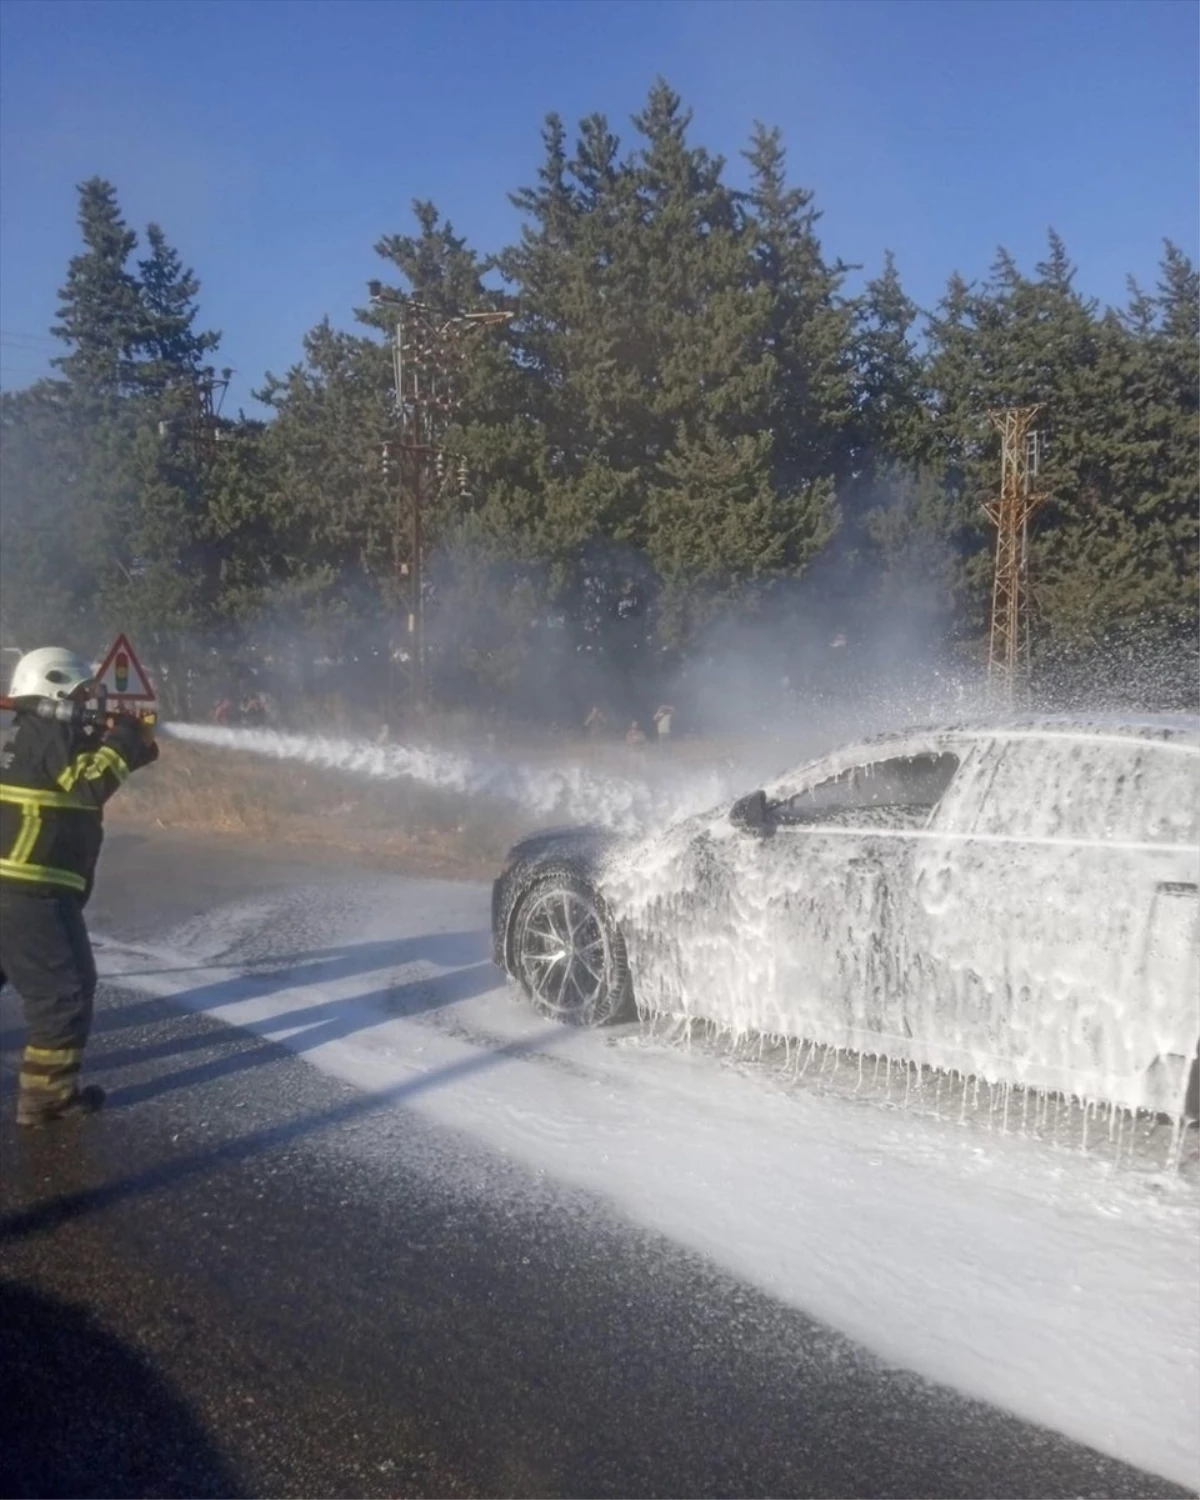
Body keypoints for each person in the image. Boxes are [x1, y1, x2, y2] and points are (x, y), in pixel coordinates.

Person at [0, 647, 159, 1127]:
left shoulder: (39, 733)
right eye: (83, 694)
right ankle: (47, 1101)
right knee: (64, 992)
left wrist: (133, 742)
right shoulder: (49, 731)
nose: (91, 703)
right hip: (30, 890)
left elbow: (90, 772)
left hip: (17, 887)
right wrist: (124, 737)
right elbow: (89, 784)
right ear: (54, 692)